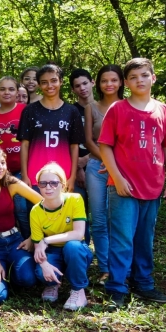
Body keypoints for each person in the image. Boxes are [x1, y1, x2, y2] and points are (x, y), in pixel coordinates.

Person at [99, 57, 166, 306]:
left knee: (145, 239)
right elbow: (105, 146)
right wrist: (118, 178)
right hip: (123, 187)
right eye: (133, 77)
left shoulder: (163, 110)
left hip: (153, 186)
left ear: (153, 78)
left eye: (144, 75)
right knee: (122, 239)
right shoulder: (118, 109)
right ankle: (117, 288)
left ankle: (144, 284)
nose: (139, 80)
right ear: (126, 83)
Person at [0, 147, 42, 304]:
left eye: (3, 163)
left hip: (14, 242)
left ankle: (12, 272)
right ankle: (2, 271)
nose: (0, 167)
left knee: (28, 280)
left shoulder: (11, 183)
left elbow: (43, 205)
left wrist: (33, 238)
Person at [30, 163, 92, 310]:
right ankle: (53, 284)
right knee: (40, 272)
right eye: (43, 183)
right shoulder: (35, 211)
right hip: (52, 251)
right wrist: (44, 265)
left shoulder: (75, 199)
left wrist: (47, 239)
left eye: (53, 183)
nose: (48, 187)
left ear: (62, 184)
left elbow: (78, 234)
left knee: (73, 246)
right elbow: (38, 247)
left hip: (76, 249)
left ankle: (78, 290)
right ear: (38, 186)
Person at [84, 65, 124, 284]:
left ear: (121, 82)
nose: (109, 84)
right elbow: (89, 140)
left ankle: (122, 268)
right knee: (98, 220)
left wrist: (115, 166)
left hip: (123, 171)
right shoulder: (92, 107)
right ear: (98, 84)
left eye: (114, 80)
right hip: (96, 168)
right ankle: (105, 268)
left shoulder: (128, 106)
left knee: (117, 220)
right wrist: (107, 162)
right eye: (104, 81)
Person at [17, 64, 84, 192]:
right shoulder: (30, 110)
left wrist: (72, 176)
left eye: (53, 81)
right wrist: (25, 176)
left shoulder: (71, 111)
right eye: (44, 82)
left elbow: (74, 146)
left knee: (63, 212)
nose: (49, 86)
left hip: (63, 176)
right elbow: (24, 145)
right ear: (39, 85)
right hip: (35, 176)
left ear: (61, 81)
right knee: (37, 211)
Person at [0, 76, 30, 237]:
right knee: (9, 209)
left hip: (23, 170)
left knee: (22, 208)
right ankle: (16, 241)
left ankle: (31, 241)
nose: (6, 92)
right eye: (2, 89)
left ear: (17, 92)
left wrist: (26, 173)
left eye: (11, 89)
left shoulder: (25, 110)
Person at [69, 69, 94, 242]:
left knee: (101, 215)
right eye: (77, 86)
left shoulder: (103, 107)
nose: (82, 88)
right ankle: (83, 251)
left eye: (85, 83)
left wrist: (87, 159)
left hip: (102, 163)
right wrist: (78, 167)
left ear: (92, 83)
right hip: (75, 167)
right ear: (73, 90)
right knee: (80, 213)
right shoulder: (70, 111)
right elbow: (69, 142)